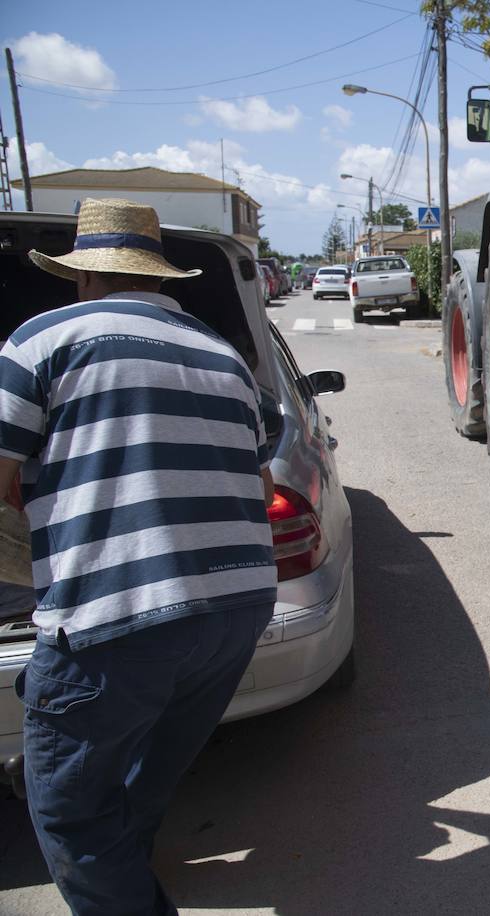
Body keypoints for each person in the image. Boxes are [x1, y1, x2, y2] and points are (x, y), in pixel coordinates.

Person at [0, 198, 277, 915]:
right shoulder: (225, 356)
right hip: (236, 610)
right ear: (159, 277)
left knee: (67, 809)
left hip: (115, 616)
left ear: (81, 275)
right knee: (139, 780)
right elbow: (261, 482)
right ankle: (128, 874)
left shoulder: (40, 342)